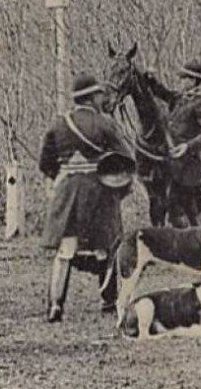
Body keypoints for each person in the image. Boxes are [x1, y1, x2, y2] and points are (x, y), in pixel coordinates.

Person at [38, 72, 136, 322]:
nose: (102, 98)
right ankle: (108, 300)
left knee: (65, 250)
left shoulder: (59, 124)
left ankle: (56, 305)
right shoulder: (105, 124)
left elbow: (45, 162)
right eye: (99, 94)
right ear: (92, 98)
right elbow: (125, 159)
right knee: (106, 246)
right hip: (99, 192)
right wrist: (120, 187)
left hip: (68, 193)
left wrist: (63, 177)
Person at [163, 59, 201, 227]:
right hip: (176, 167)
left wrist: (188, 146)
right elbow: (160, 92)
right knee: (174, 212)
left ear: (193, 81)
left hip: (192, 169)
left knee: (190, 214)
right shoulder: (179, 99)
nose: (181, 81)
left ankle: (200, 246)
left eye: (184, 78)